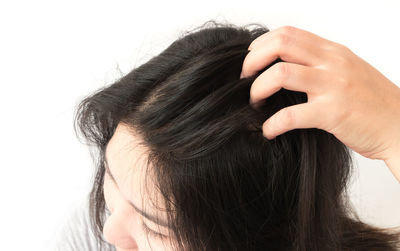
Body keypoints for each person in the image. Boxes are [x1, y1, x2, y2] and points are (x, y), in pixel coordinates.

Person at [60, 20, 400, 250]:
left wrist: (394, 129)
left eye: (155, 227)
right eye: (113, 184)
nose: (110, 233)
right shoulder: (91, 235)